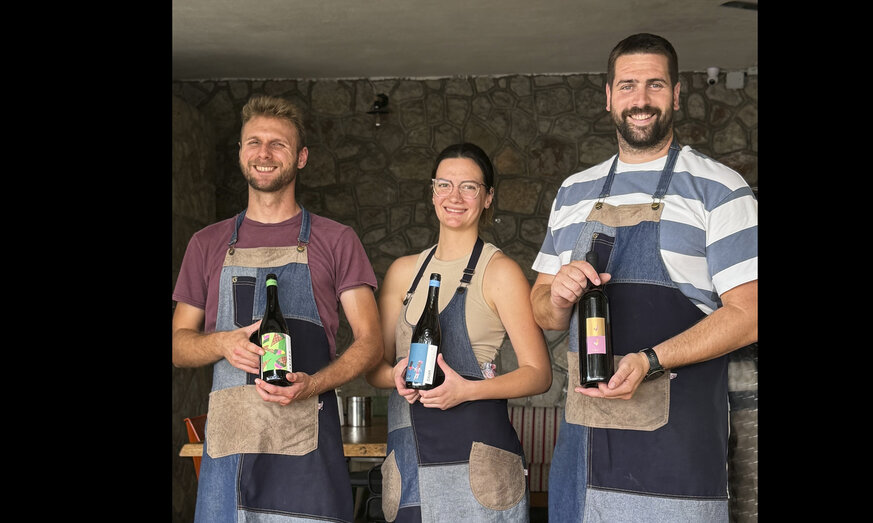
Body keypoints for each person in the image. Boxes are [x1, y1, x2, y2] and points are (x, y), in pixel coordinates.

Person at [529, 33, 758, 522]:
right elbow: (543, 312)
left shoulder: (719, 188)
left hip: (677, 460)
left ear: (676, 94)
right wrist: (560, 293)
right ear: (608, 95)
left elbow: (750, 316)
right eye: (628, 85)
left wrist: (650, 360)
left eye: (655, 85)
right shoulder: (573, 191)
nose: (641, 99)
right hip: (582, 461)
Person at [172, 95, 383, 522]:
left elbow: (372, 343)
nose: (264, 154)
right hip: (230, 449)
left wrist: (314, 384)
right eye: (253, 142)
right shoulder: (207, 243)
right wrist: (221, 344)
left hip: (304, 440)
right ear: (240, 153)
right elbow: (178, 346)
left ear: (301, 157)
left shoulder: (336, 239)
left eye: (278, 144)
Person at [366, 142, 552, 522]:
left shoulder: (500, 272)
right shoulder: (403, 273)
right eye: (444, 184)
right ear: (432, 191)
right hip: (409, 461)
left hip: (478, 464)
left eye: (469, 186)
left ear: (487, 198)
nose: (455, 196)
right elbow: (376, 367)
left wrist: (467, 390)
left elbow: (539, 374)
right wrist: (394, 375)